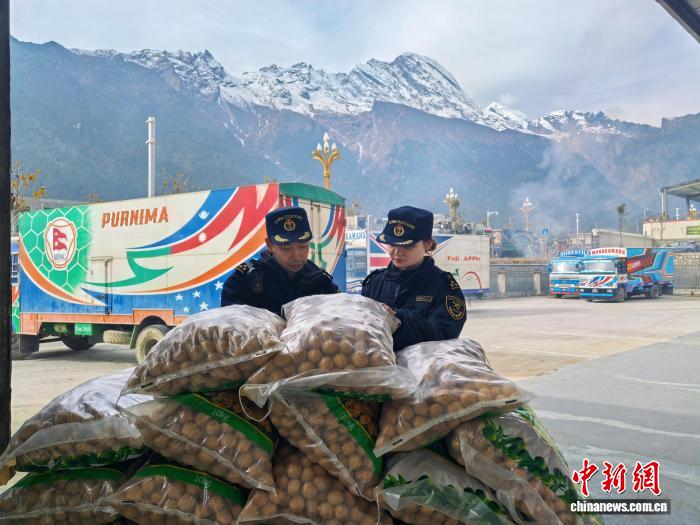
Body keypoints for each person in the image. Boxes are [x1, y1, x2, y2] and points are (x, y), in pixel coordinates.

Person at [362, 206, 466, 351]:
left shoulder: (443, 286)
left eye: (407, 246)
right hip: (377, 363)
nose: (397, 252)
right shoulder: (374, 282)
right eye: (392, 244)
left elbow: (446, 332)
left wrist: (398, 319)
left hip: (423, 364)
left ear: (428, 244)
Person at [221, 206, 338, 315]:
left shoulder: (320, 280)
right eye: (286, 248)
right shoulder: (243, 281)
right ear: (270, 245)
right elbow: (231, 323)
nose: (296, 255)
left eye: (303, 246)